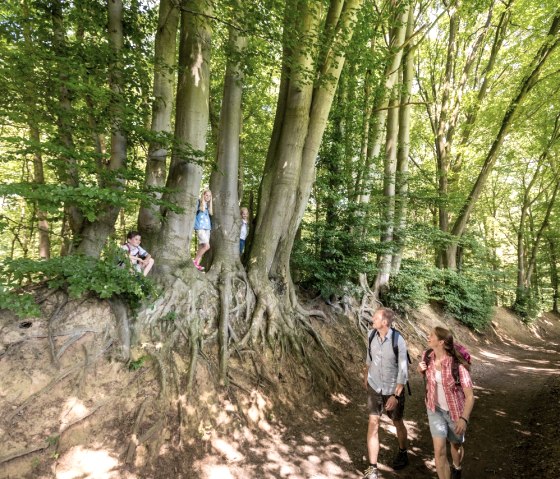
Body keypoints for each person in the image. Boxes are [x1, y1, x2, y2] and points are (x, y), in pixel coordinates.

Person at [418, 327, 475, 479]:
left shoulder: (457, 365)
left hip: (455, 413)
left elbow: (470, 397)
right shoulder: (427, 356)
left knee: (456, 445)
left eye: (431, 335)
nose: (428, 337)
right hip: (434, 409)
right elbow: (429, 379)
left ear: (441, 342)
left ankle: (457, 466)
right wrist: (420, 370)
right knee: (439, 451)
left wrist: (464, 419)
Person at [363, 307, 409, 479]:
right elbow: (369, 358)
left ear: (384, 322)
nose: (372, 319)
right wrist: (366, 375)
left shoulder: (398, 341)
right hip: (375, 386)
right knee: (373, 423)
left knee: (397, 421)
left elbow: (403, 372)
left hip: (392, 390)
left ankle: (403, 451)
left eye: (375, 317)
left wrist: (396, 396)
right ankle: (372, 468)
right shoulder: (371, 335)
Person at [193, 189, 213, 271]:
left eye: (209, 196)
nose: (208, 197)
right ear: (203, 195)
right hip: (200, 227)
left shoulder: (208, 206)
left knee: (202, 246)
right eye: (206, 195)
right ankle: (194, 261)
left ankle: (197, 263)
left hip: (207, 228)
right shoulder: (199, 202)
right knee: (207, 246)